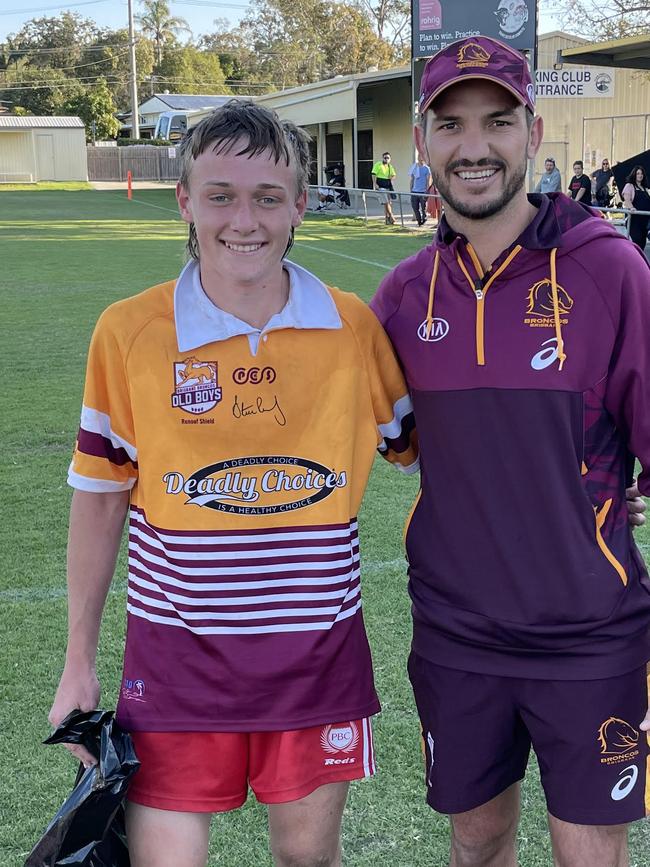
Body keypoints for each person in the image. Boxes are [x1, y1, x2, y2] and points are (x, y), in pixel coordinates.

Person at [48, 100, 418, 867]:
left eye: (267, 197)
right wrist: (77, 660)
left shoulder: (353, 329)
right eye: (220, 195)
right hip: (175, 668)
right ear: (184, 199)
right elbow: (99, 497)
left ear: (300, 205)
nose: (243, 220)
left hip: (317, 663)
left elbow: (433, 456)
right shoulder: (128, 332)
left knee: (308, 860)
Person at [370, 36, 650, 867]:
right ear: (424, 144)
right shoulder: (402, 297)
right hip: (458, 632)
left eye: (497, 121)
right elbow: (399, 446)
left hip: (591, 634)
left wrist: (588, 501)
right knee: (477, 837)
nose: (474, 146)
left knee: (589, 850)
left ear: (533, 129)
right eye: (450, 125)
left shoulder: (611, 272)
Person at [622, 164, 650, 250]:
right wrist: (631, 208)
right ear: (634, 175)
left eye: (641, 174)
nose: (640, 175)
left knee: (642, 243)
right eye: (638, 173)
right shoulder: (629, 186)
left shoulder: (645, 188)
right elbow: (627, 199)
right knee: (636, 242)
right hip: (634, 220)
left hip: (644, 221)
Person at [371, 151, 397, 224]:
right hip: (380, 187)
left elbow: (394, 175)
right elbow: (373, 174)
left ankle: (387, 219)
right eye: (385, 158)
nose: (386, 159)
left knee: (388, 203)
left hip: (388, 186)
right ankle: (391, 216)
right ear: (382, 158)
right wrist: (374, 184)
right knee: (386, 202)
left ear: (390, 159)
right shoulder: (378, 165)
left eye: (388, 158)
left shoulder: (390, 166)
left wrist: (391, 177)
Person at [409, 155, 433, 225]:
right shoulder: (414, 167)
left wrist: (427, 190)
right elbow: (412, 179)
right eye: (420, 157)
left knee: (423, 208)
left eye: (422, 157)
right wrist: (411, 189)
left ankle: (424, 218)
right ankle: (419, 221)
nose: (421, 159)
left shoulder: (427, 169)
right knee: (415, 207)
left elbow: (428, 180)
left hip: (423, 191)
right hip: (414, 191)